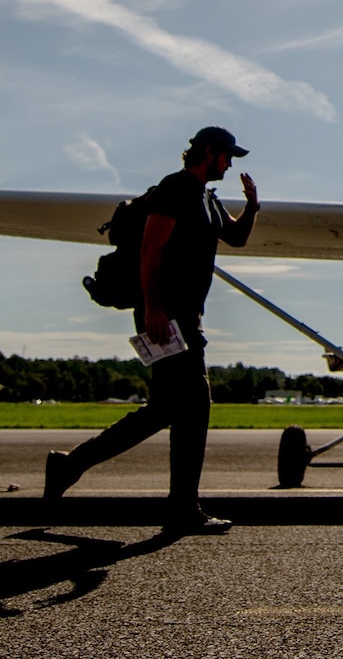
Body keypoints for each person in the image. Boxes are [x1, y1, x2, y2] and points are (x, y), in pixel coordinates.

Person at [43, 126, 259, 533]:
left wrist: (253, 206)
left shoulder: (207, 200)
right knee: (195, 406)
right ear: (209, 152)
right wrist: (154, 309)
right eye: (228, 156)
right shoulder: (175, 190)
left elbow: (238, 238)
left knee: (167, 408)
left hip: (185, 317)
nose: (230, 165)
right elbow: (150, 248)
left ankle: (70, 465)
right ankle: (182, 509)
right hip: (164, 316)